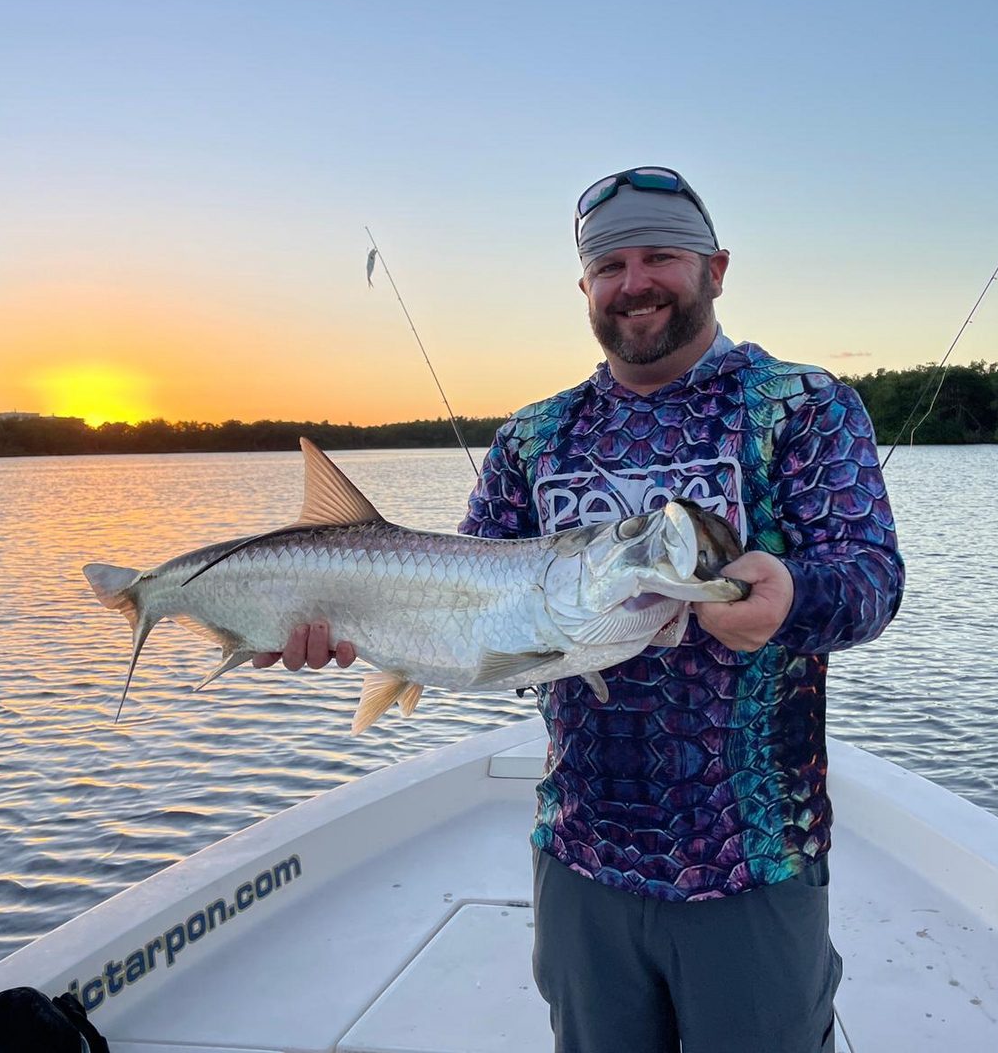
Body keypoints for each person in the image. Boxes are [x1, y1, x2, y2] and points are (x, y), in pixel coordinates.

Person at [256, 166, 905, 1052]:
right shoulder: (534, 434)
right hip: (581, 854)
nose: (633, 283)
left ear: (715, 268)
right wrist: (338, 621)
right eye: (610, 266)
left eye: (660, 257)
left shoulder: (802, 406)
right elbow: (462, 607)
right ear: (585, 288)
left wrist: (795, 600)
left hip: (755, 859)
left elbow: (872, 579)